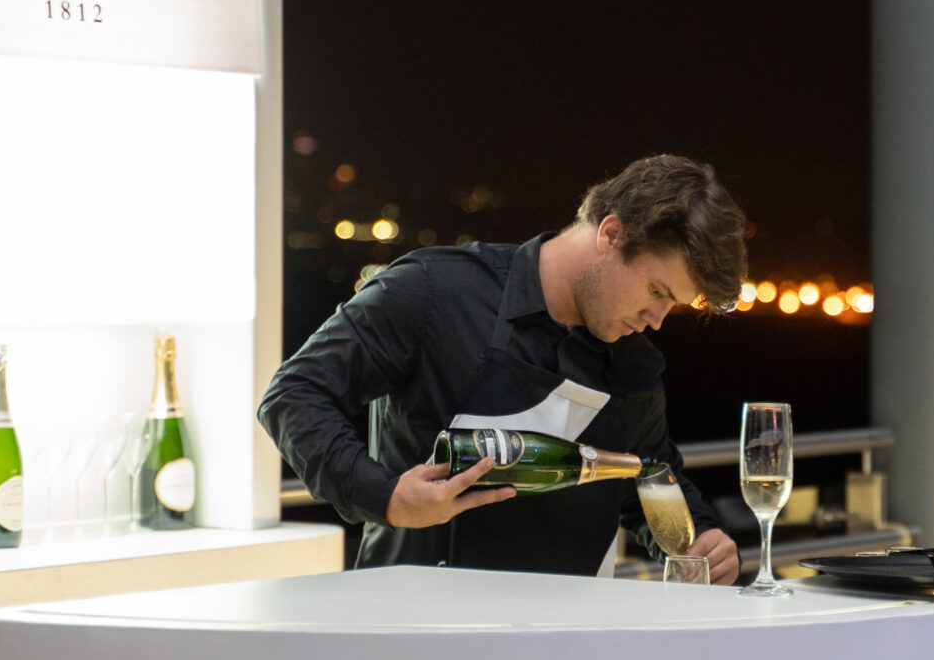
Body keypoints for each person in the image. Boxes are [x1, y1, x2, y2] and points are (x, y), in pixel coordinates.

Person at [259, 154, 746, 583]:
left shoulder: (634, 365)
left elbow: (649, 476)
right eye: (657, 292)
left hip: (566, 639)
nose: (657, 320)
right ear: (611, 234)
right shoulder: (434, 292)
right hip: (414, 624)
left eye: (673, 304)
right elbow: (295, 394)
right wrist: (383, 496)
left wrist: (702, 537)